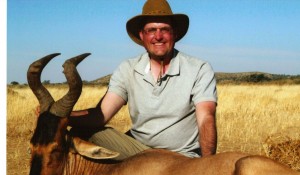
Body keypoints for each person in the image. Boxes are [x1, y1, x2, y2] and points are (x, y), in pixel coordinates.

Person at [69, 0, 218, 160]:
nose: (158, 36)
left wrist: (207, 165)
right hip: (138, 152)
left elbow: (205, 118)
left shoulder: (199, 68)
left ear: (174, 33)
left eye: (165, 30)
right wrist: (63, 116)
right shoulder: (127, 68)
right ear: (142, 35)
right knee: (78, 133)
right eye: (151, 30)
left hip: (180, 159)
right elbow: (100, 115)